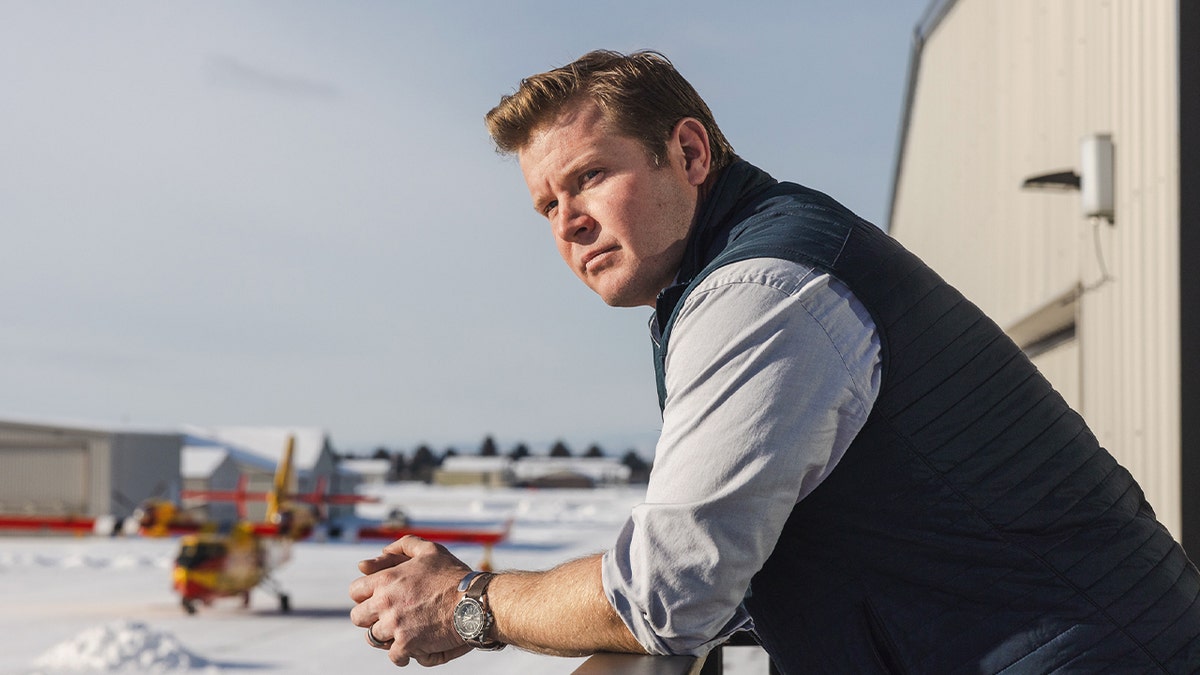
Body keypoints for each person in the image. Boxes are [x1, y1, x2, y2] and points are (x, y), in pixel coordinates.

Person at [349, 49, 1200, 672]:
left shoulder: (763, 288)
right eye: (546, 204)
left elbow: (674, 589)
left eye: (589, 177)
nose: (566, 220)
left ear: (687, 154)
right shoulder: (735, 276)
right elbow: (743, 570)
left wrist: (472, 603)